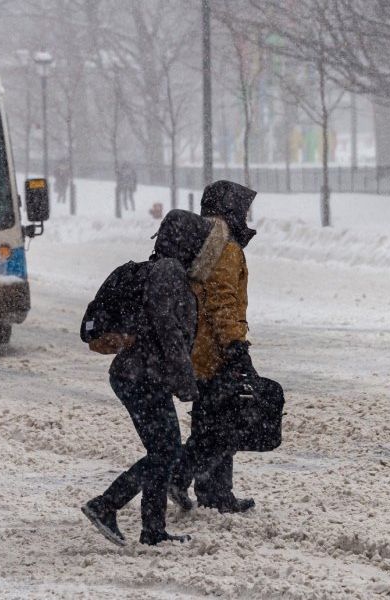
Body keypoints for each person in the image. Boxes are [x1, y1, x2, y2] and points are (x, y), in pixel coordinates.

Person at [82, 209, 207, 546]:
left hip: (142, 375)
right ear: (187, 242)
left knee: (163, 449)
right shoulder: (168, 272)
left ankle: (153, 530)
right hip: (140, 377)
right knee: (165, 451)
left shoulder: (166, 270)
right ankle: (105, 505)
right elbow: (168, 330)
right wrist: (185, 380)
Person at [169, 180, 259, 514]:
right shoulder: (225, 248)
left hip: (200, 347)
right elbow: (222, 301)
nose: (246, 216)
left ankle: (214, 491)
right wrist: (236, 345)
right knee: (221, 426)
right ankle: (181, 476)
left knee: (213, 421)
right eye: (243, 209)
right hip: (214, 351)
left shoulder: (209, 242)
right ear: (230, 210)